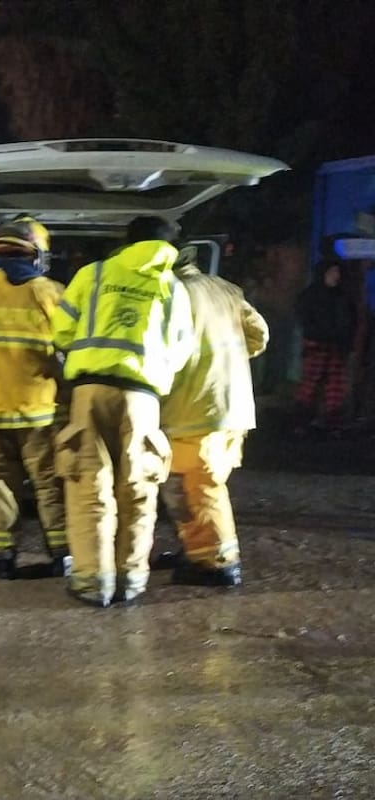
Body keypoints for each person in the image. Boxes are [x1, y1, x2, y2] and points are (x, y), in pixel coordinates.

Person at [50, 216, 196, 607]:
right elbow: (182, 352)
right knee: (137, 491)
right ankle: (130, 581)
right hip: (143, 398)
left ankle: (92, 583)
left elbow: (61, 330)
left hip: (89, 393)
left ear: (127, 242)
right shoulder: (173, 289)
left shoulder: (93, 274)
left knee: (89, 490)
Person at [0, 216, 68, 579]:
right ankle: (63, 552)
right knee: (50, 483)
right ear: (38, 256)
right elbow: (70, 349)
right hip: (39, 412)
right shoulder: (52, 293)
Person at [160, 247, 269, 587]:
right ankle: (198, 548)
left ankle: (217, 562)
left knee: (196, 487)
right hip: (233, 408)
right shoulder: (225, 288)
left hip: (193, 410)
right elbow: (259, 336)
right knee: (203, 484)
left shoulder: (170, 294)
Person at [292, 261, 357, 436]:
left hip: (336, 346)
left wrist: (346, 340)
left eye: (337, 272)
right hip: (317, 344)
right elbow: (305, 319)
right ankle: (302, 421)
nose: (336, 276)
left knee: (335, 386)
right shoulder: (311, 296)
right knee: (310, 383)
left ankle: (332, 422)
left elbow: (349, 320)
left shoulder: (342, 297)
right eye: (332, 272)